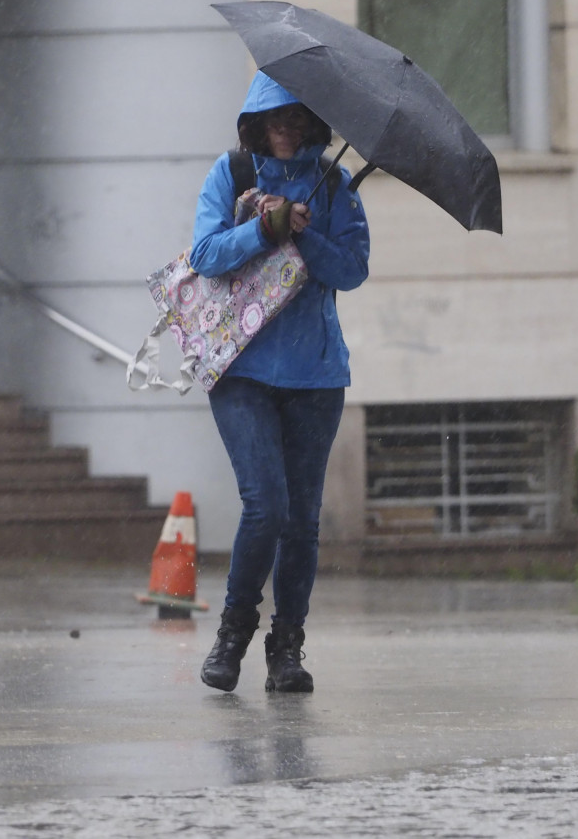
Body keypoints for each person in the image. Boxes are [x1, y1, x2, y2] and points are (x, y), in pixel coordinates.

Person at [192, 72, 369, 693]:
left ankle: (286, 647)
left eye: (298, 119)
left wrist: (307, 234)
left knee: (302, 520)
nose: (287, 131)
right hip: (241, 369)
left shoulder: (337, 185)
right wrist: (265, 228)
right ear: (255, 124)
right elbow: (205, 255)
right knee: (265, 506)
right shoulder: (233, 173)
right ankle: (233, 632)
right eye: (275, 120)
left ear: (314, 124)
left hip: (316, 375)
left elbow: (353, 270)